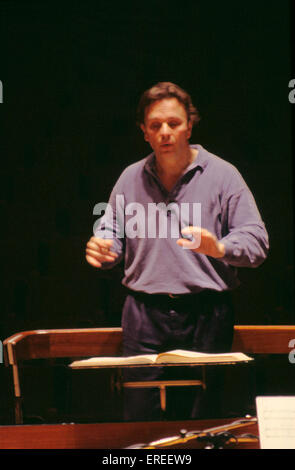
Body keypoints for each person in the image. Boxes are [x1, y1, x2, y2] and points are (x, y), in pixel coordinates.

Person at [85, 82, 269, 421]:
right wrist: (102, 246)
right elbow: (110, 232)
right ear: (144, 132)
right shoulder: (130, 178)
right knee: (139, 421)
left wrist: (220, 247)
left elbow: (257, 242)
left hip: (206, 313)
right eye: (155, 125)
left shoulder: (223, 175)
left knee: (201, 421)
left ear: (190, 125)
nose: (165, 132)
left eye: (174, 123)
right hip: (143, 314)